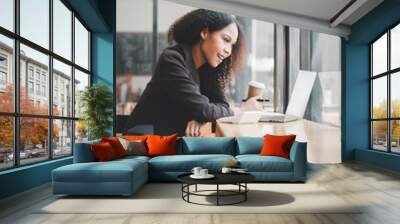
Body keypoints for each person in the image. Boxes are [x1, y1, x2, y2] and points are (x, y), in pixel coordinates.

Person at [125, 9, 262, 137]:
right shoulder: (172, 58)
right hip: (144, 138)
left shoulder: (207, 69)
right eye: (225, 40)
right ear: (204, 32)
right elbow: (205, 110)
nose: (228, 51)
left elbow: (216, 107)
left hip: (172, 137)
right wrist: (241, 110)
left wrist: (201, 117)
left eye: (232, 45)